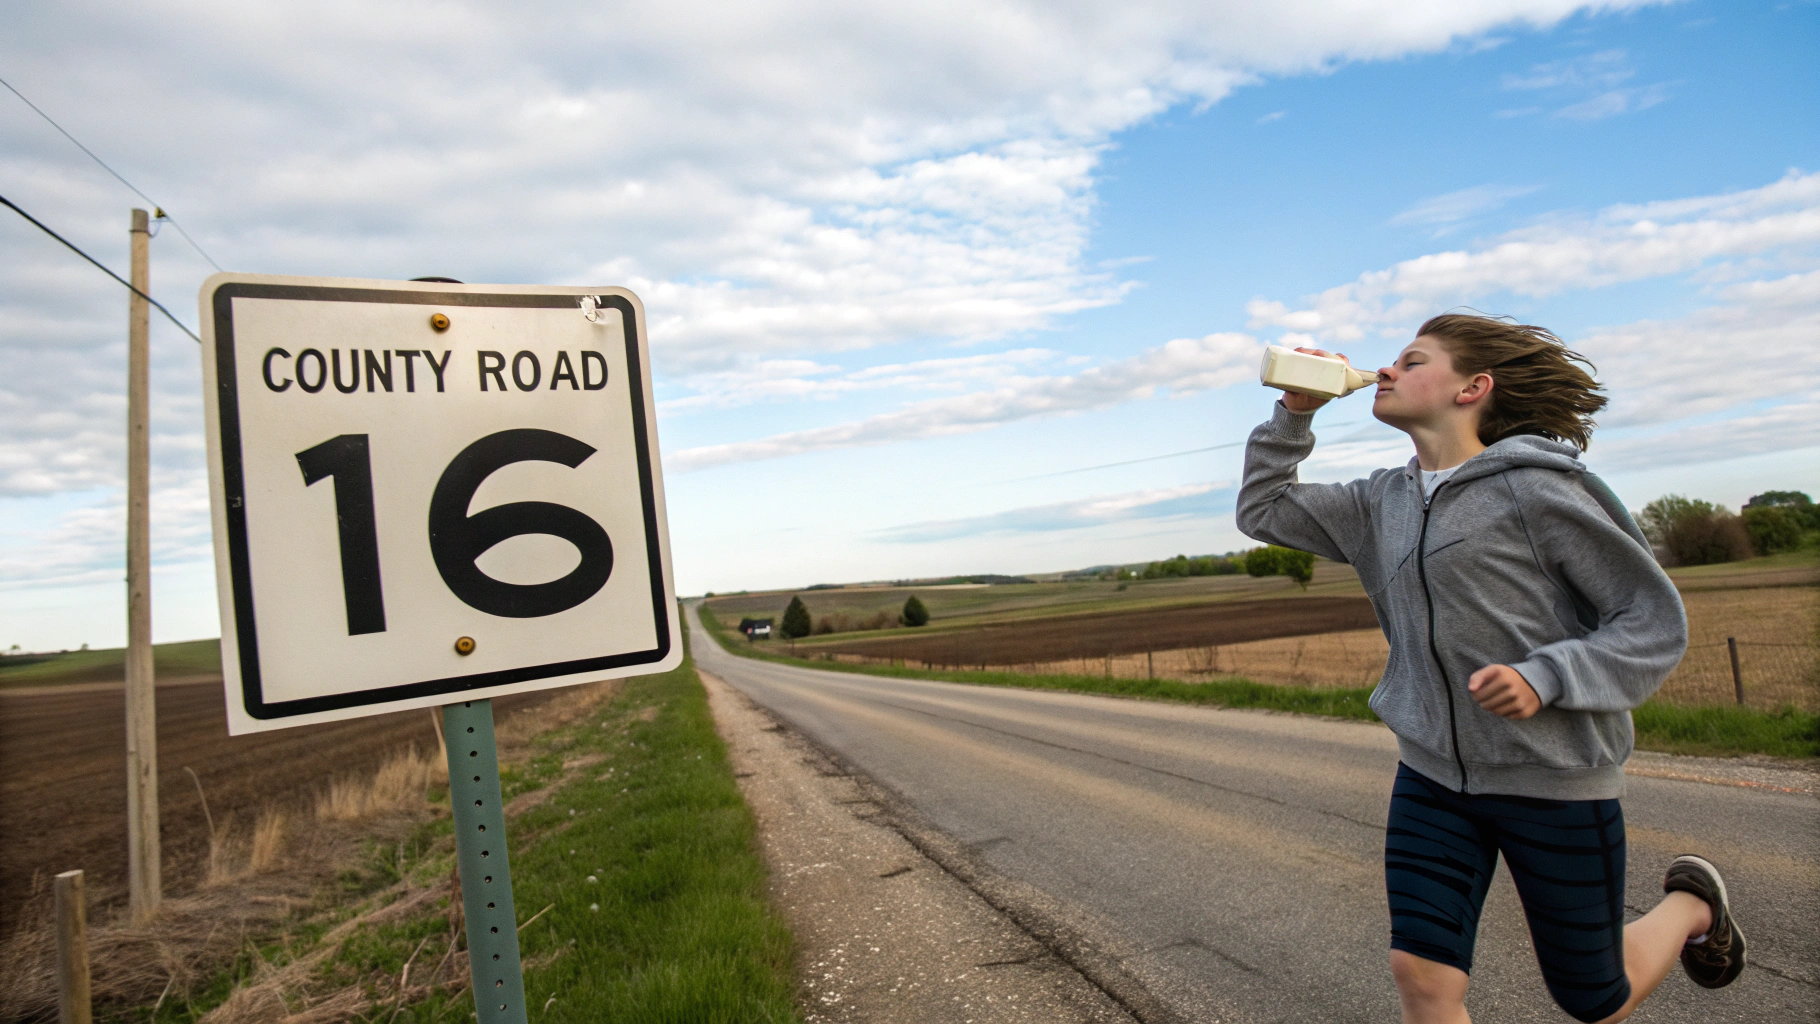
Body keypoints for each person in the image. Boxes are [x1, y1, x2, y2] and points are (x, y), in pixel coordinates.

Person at [1235, 314, 1745, 1024]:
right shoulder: (1378, 502)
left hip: (1553, 776)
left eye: (1413, 361)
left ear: (1474, 388)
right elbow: (1264, 509)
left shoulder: (1542, 492)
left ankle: (1692, 904)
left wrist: (1547, 675)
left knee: (1595, 998)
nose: (1386, 370)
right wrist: (1294, 415)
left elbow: (1651, 619)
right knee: (1421, 975)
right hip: (1433, 777)